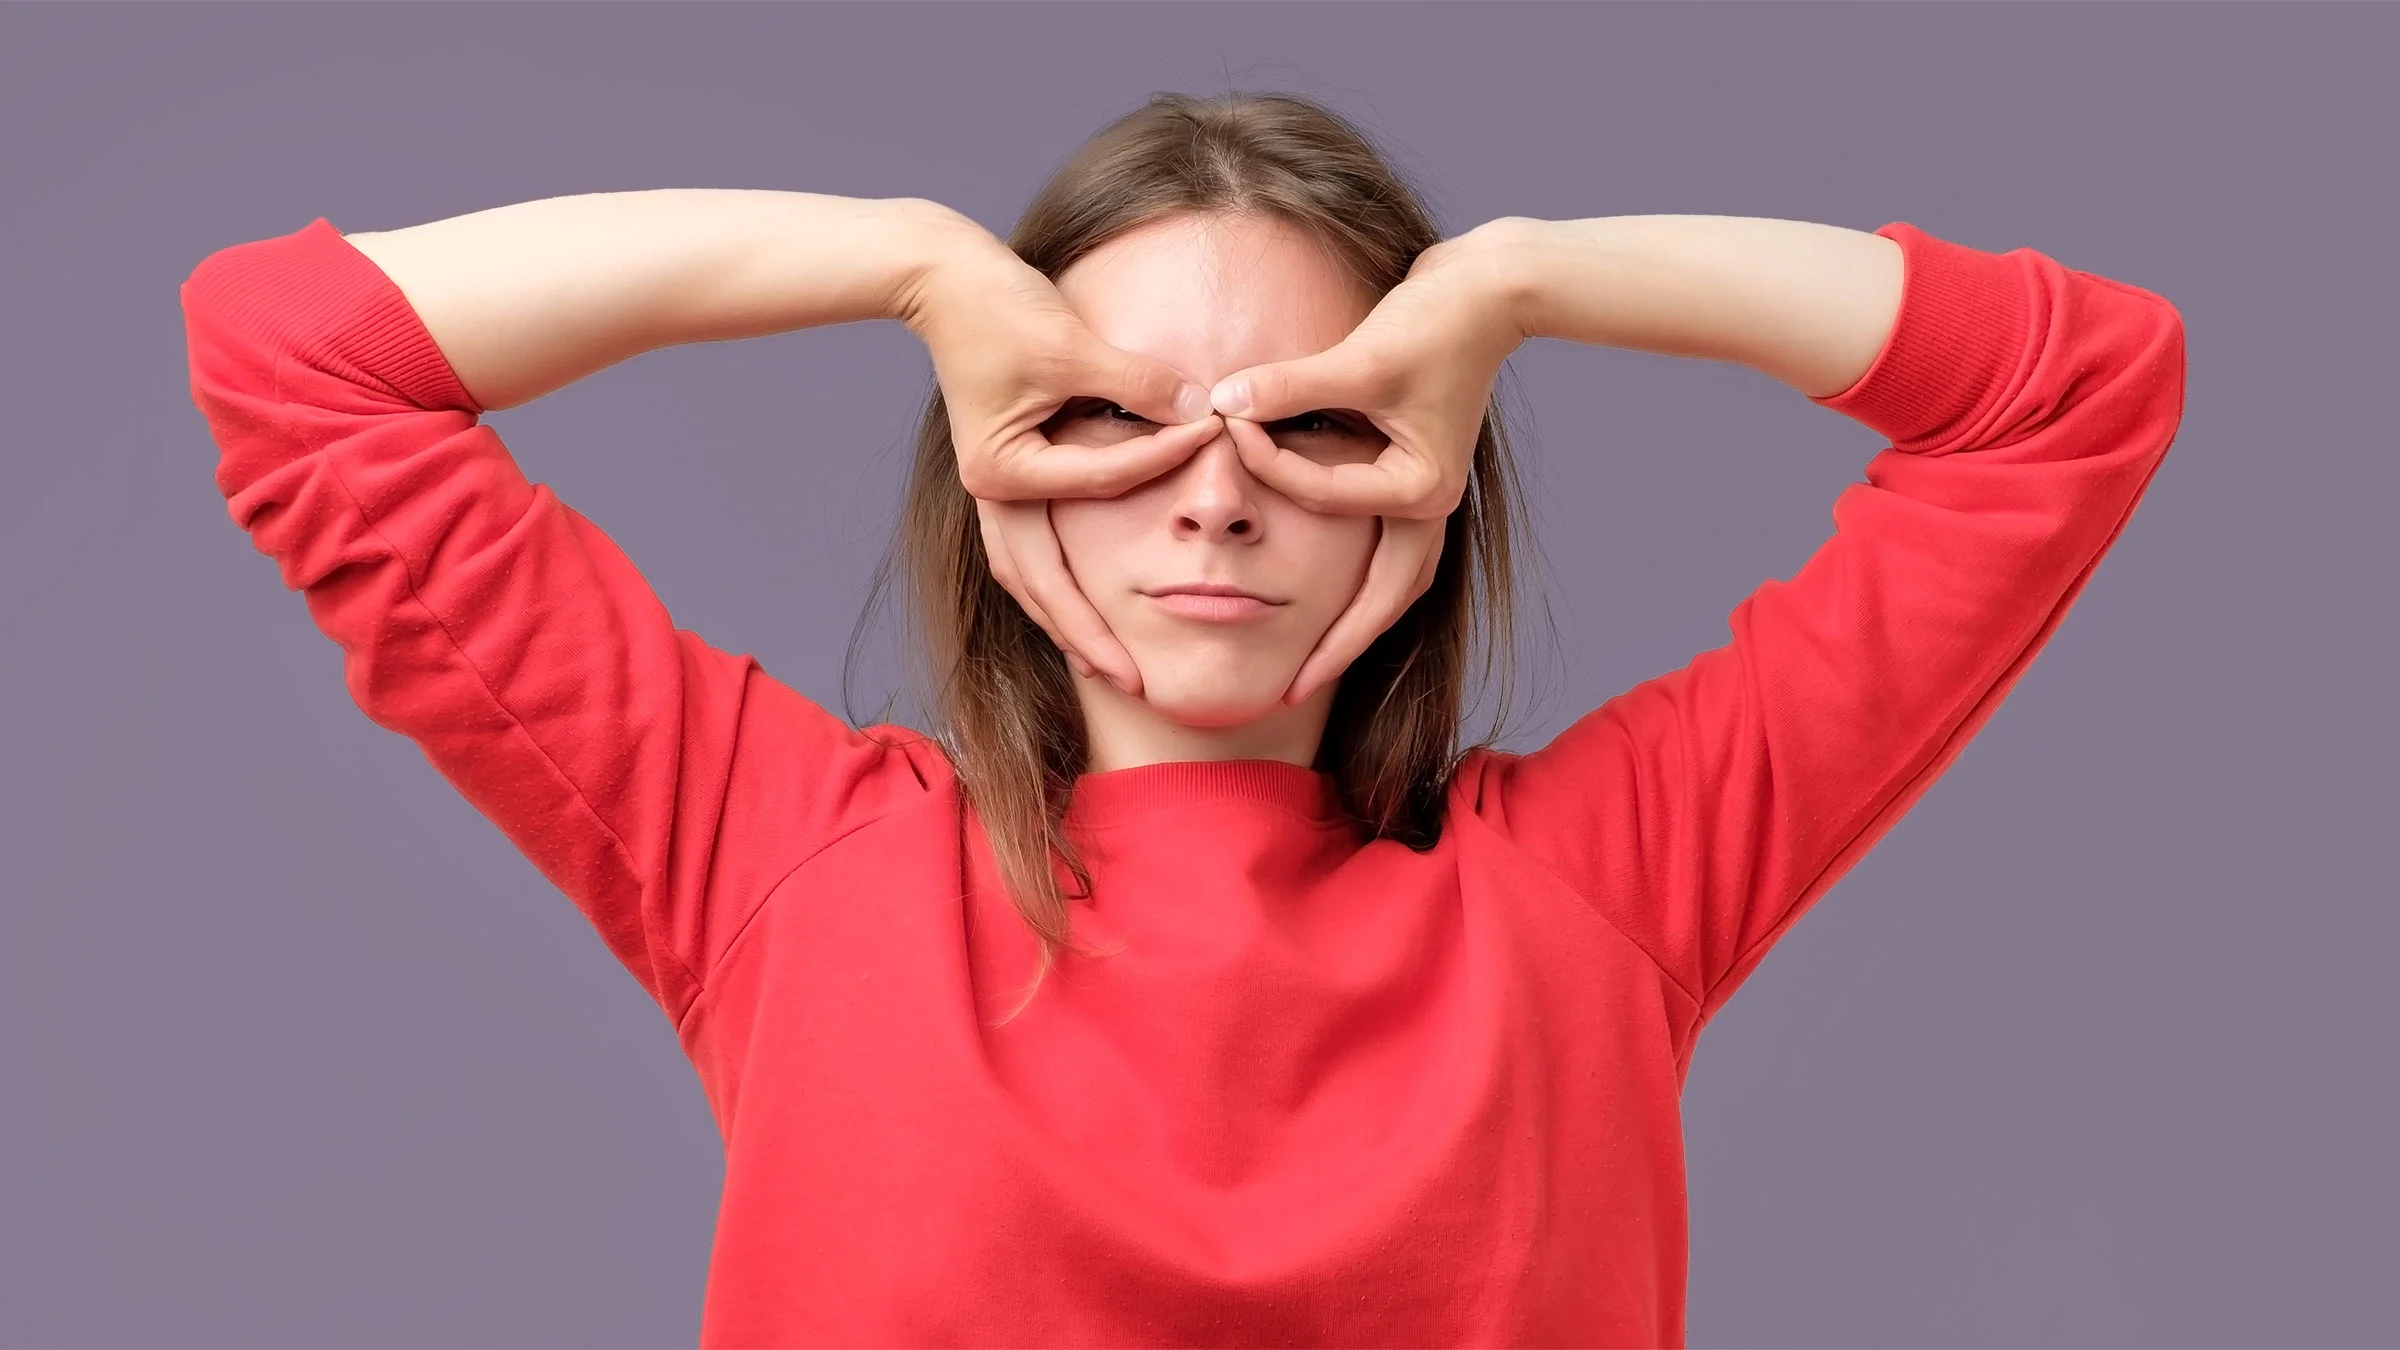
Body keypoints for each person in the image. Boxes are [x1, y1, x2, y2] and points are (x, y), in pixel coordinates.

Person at [179, 91, 2185, 1348]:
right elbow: (294, 356)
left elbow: (2076, 388)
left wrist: (1522, 282)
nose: (1216, 493)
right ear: (991, 457)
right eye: (1106, 417)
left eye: (1319, 423)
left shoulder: (1606, 885)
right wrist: (902, 262)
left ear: (1433, 469)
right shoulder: (780, 860)